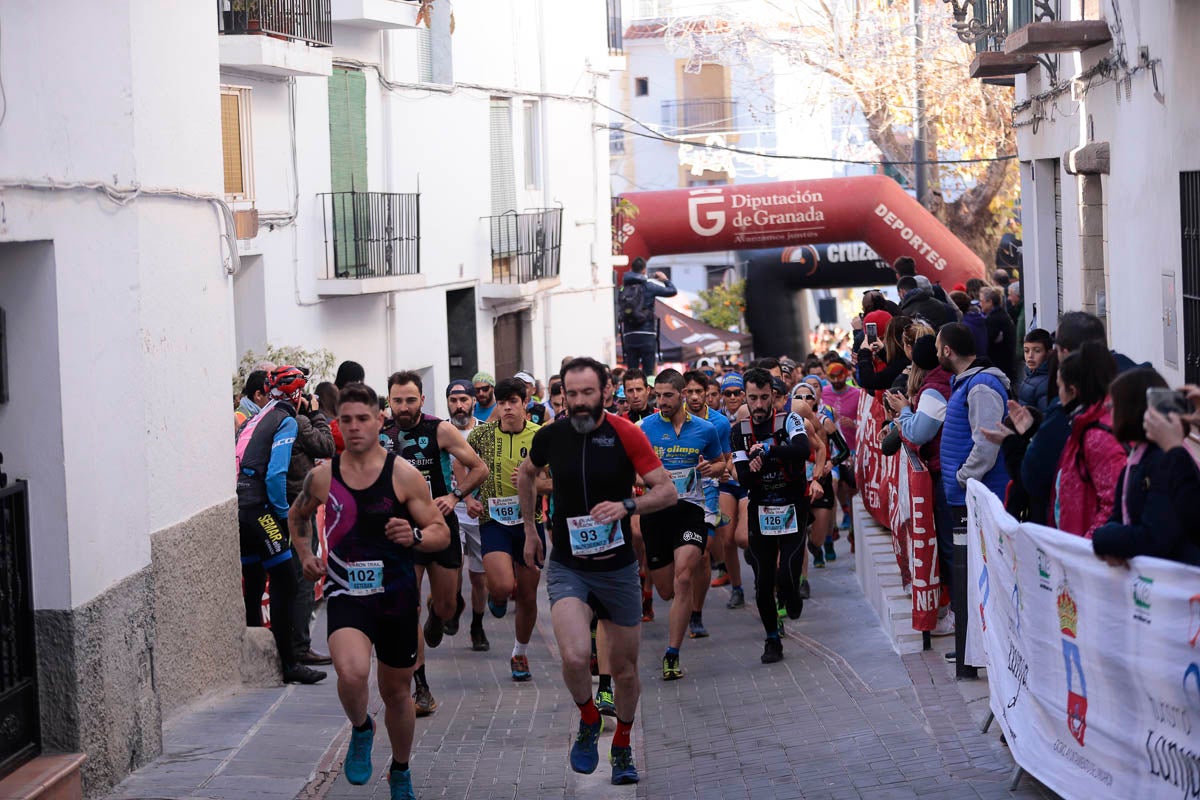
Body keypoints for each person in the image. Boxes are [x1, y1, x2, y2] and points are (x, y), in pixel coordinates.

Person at [287, 382, 451, 800]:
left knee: (396, 692)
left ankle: (400, 770)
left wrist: (413, 534)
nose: (356, 427)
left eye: (364, 419)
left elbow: (440, 534)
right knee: (352, 671)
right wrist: (305, 554)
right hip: (346, 594)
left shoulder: (403, 474)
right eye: (347, 420)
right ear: (337, 424)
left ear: (381, 420)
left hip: (396, 596)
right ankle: (361, 728)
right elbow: (297, 515)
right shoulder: (323, 476)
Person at [517, 357, 676, 786]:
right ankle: (589, 718)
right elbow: (526, 474)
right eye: (572, 394)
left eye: (589, 393)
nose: (580, 402)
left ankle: (622, 744)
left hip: (618, 568)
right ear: (563, 396)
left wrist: (627, 505)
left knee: (624, 671)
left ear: (606, 391)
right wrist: (531, 530)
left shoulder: (626, 434)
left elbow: (666, 491)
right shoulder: (550, 436)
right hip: (569, 564)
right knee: (572, 656)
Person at [383, 372, 489, 717]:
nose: (403, 407)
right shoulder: (382, 435)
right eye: (397, 400)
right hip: (401, 532)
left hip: (440, 527)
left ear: (422, 399)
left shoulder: (439, 430)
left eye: (410, 400)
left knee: (446, 609)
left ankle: (437, 610)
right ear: (389, 401)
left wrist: (454, 495)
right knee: (404, 609)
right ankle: (422, 687)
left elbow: (479, 468)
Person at [235, 366, 325, 684]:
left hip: (241, 508)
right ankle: (289, 664)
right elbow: (275, 474)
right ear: (298, 395)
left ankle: (254, 659)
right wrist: (285, 515)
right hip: (261, 510)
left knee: (255, 581)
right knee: (286, 580)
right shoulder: (285, 419)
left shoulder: (259, 415)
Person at [637, 370, 724, 679]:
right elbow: (631, 470)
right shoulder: (644, 428)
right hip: (656, 512)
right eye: (657, 395)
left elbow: (721, 463)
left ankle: (671, 654)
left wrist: (710, 468)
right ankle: (676, 606)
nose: (661, 401)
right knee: (664, 590)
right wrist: (642, 478)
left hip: (690, 509)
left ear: (682, 395)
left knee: (684, 576)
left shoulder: (705, 429)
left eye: (667, 395)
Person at [467, 378, 549, 681]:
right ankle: (498, 596)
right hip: (494, 520)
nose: (507, 408)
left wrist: (536, 483)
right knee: (502, 585)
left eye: (512, 402)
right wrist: (466, 494)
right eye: (502, 403)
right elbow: (460, 458)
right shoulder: (484, 434)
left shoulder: (541, 436)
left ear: (525, 403)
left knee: (527, 595)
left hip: (531, 524)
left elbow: (557, 481)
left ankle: (519, 653)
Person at [733, 368, 813, 664]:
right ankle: (772, 640)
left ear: (773, 396)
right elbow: (743, 478)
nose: (758, 404)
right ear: (746, 397)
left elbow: (802, 449)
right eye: (752, 398)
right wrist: (753, 471)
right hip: (761, 507)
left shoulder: (787, 419)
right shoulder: (739, 431)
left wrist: (768, 452)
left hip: (793, 504)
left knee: (787, 571)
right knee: (763, 580)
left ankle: (791, 594)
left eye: (764, 397)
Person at [1093, 369, 1200, 567]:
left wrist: (1102, 538)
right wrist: (1113, 540)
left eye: (1114, 403)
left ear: (1132, 409)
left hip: (1176, 586)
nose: (1108, 409)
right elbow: (1118, 517)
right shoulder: (1136, 460)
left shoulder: (1164, 459)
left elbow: (1156, 537)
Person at [887, 334, 955, 636]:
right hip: (945, 472)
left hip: (946, 475)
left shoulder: (934, 389)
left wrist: (903, 412)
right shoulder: (938, 384)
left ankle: (958, 612)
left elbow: (918, 432)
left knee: (952, 549)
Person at [1049, 342, 1123, 538]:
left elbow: (1113, 504)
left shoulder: (1098, 435)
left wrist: (1086, 548)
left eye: (1059, 387)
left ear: (1072, 391)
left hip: (1089, 554)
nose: (1059, 395)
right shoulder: (1084, 425)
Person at [286, 384, 336, 667]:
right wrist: (316, 414)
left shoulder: (269, 418)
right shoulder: (299, 421)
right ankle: (300, 647)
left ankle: (293, 645)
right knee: (304, 578)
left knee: (290, 580)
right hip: (298, 506)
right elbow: (326, 445)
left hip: (279, 505)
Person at [937, 323, 1010, 509]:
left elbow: (987, 444)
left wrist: (964, 477)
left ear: (947, 351)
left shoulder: (980, 387)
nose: (936, 355)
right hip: (970, 495)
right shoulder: (965, 383)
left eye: (938, 349)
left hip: (979, 497)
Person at [680, 370, 731, 639]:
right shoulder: (672, 422)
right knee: (682, 562)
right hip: (679, 497)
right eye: (689, 392)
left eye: (700, 391)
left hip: (709, 493)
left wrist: (719, 469)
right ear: (682, 394)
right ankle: (679, 600)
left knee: (701, 554)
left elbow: (726, 460)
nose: (695, 397)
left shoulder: (719, 424)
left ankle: (696, 613)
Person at [445, 379, 490, 653]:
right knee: (453, 570)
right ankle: (452, 604)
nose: (459, 406)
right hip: (451, 510)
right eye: (453, 400)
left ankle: (477, 624)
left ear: (474, 401)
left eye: (464, 400)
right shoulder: (441, 432)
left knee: (480, 577)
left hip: (481, 513)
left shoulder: (485, 433)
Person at [620, 258, 678, 374]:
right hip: (647, 334)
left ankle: (631, 390)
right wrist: (665, 279)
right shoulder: (649, 286)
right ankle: (649, 390)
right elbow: (672, 291)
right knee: (648, 372)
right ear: (644, 270)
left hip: (629, 335)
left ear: (631, 269)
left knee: (632, 372)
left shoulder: (623, 288)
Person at [857, 313, 912, 394]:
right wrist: (882, 351)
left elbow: (869, 381)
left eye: (885, 337)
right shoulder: (909, 359)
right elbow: (894, 365)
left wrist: (864, 353)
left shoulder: (904, 365)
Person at [981, 286, 1017, 382]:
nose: (981, 304)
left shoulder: (994, 319)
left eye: (982, 301)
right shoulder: (1001, 314)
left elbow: (989, 340)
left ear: (990, 302)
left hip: (1000, 363)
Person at [1016, 329, 1053, 413]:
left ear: (1049, 353)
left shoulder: (1046, 383)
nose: (1030, 356)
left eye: (1037, 351)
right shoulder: (1031, 375)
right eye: (1026, 351)